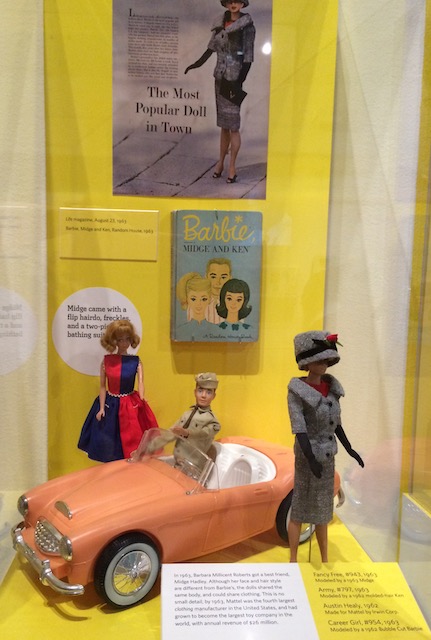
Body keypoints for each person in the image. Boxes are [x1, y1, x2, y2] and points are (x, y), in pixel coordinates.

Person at [287, 331, 364, 562]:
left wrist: (350, 449)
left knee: (322, 511)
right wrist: (310, 459)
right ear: (307, 363)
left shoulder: (332, 391)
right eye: (319, 360)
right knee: (299, 508)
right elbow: (299, 428)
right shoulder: (297, 392)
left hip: (328, 458)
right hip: (307, 458)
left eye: (327, 360)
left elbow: (336, 424)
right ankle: (293, 559)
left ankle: (324, 558)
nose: (324, 365)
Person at [184, 1, 255, 183]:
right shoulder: (220, 23)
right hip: (220, 79)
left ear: (243, 3)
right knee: (224, 125)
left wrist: (238, 83)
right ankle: (221, 163)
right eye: (230, 0)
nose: (234, 4)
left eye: (237, 0)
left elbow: (248, 58)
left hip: (234, 80)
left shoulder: (247, 26)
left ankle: (232, 167)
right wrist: (196, 64)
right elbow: (211, 48)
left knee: (234, 126)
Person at [78, 319, 158, 462]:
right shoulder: (107, 361)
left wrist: (142, 398)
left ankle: (130, 463)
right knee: (110, 438)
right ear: (114, 341)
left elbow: (140, 382)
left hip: (130, 403)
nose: (124, 343)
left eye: (127, 339)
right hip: (111, 404)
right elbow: (103, 386)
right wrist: (101, 408)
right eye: (120, 340)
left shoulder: (135, 361)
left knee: (132, 436)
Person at [171, 372, 220, 468]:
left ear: (214, 396)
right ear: (195, 392)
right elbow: (171, 432)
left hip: (193, 467)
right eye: (200, 391)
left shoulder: (212, 421)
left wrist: (187, 433)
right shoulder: (186, 415)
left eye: (209, 392)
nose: (203, 395)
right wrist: (152, 447)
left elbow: (203, 433)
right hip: (177, 463)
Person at [175, 272, 213, 339]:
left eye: (204, 299)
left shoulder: (217, 330)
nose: (198, 304)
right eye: (193, 299)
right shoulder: (180, 331)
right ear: (187, 299)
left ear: (210, 299)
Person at [205, 258, 232, 323]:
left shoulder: (235, 304)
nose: (218, 282)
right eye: (213, 277)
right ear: (206, 277)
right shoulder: (197, 303)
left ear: (230, 278)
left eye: (223, 277)